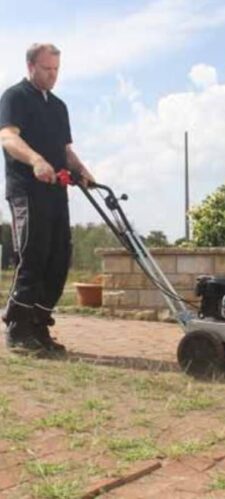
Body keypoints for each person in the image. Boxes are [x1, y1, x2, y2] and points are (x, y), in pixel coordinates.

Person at [0, 43, 95, 353]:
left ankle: (38, 325)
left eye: (56, 70)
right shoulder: (15, 97)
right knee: (34, 253)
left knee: (58, 256)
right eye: (46, 69)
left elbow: (65, 151)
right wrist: (36, 160)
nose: (53, 75)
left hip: (57, 191)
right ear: (31, 66)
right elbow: (7, 136)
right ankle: (18, 328)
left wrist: (83, 171)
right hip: (27, 190)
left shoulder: (58, 106)